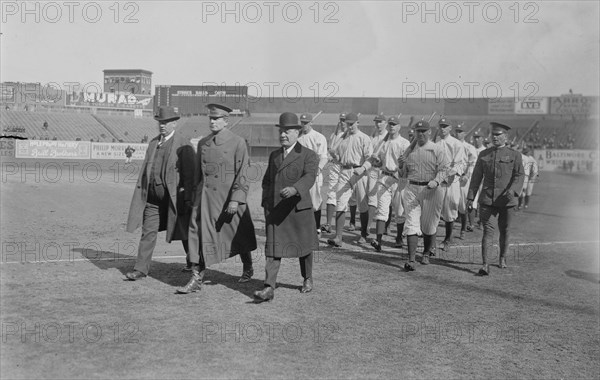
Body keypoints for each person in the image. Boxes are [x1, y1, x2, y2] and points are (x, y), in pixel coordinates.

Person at [177, 104, 256, 294]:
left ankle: (247, 265)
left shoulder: (238, 142)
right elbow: (197, 174)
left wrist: (236, 199)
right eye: (210, 119)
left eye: (217, 118)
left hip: (227, 198)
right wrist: (192, 198)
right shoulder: (204, 143)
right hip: (204, 199)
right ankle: (197, 277)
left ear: (226, 121)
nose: (212, 121)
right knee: (197, 234)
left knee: (237, 234)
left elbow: (243, 173)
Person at [254, 112, 319, 302]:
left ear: (297, 133)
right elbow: (266, 181)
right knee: (273, 250)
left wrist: (295, 189)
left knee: (304, 248)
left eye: (288, 131)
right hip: (276, 210)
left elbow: (310, 177)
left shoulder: (308, 155)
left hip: (298, 209)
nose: (283, 134)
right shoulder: (274, 155)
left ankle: (307, 278)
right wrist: (266, 203)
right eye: (281, 131)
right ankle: (268, 287)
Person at [125, 106, 195, 281]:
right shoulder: (153, 143)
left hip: (175, 200)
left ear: (175, 123)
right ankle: (140, 269)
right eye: (160, 122)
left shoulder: (184, 144)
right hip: (153, 200)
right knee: (148, 232)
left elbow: (191, 175)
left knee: (184, 232)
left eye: (167, 122)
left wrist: (187, 198)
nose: (162, 125)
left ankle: (194, 263)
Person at [467, 122, 524, 275]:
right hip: (488, 200)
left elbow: (519, 175)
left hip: (507, 201)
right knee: (488, 231)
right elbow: (476, 177)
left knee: (505, 230)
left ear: (506, 136)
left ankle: (502, 257)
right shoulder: (484, 154)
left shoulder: (515, 155)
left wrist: (513, 190)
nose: (495, 137)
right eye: (493, 134)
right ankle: (485, 264)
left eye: (498, 134)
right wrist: (471, 197)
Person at [398, 120, 450, 270]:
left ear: (429, 132)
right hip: (412, 188)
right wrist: (401, 164)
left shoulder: (436, 149)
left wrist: (436, 180)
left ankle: (426, 252)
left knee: (428, 225)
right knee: (411, 223)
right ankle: (411, 259)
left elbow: (445, 168)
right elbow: (402, 174)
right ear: (414, 132)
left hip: (431, 190)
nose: (420, 134)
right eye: (418, 131)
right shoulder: (408, 150)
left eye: (423, 131)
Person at [327, 112, 374, 247]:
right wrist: (333, 156)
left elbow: (370, 159)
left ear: (357, 123)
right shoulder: (342, 138)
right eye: (348, 124)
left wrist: (363, 168)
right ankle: (338, 237)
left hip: (359, 172)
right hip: (344, 171)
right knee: (340, 201)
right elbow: (338, 157)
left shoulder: (364, 138)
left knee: (362, 204)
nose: (350, 126)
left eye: (352, 124)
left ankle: (364, 234)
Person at [369, 116, 410, 252]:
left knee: (399, 211)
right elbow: (379, 163)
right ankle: (378, 240)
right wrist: (376, 161)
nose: (392, 126)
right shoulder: (383, 142)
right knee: (382, 210)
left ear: (399, 127)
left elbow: (409, 165)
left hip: (400, 180)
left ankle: (399, 237)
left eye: (394, 124)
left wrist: (402, 168)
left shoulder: (405, 143)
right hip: (385, 177)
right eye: (390, 124)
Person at [435, 118, 467, 251]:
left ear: (450, 128)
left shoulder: (456, 143)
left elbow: (460, 163)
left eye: (445, 126)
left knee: (450, 208)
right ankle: (431, 240)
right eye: (441, 126)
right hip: (436, 178)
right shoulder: (435, 142)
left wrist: (448, 173)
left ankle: (448, 239)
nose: (442, 128)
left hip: (451, 179)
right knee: (434, 210)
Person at [298, 113, 328, 233]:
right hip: (300, 173)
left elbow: (324, 157)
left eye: (306, 123)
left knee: (315, 201)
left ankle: (316, 228)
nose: (304, 125)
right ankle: (303, 227)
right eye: (302, 123)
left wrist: (318, 169)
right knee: (300, 199)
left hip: (314, 172)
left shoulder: (318, 137)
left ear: (311, 123)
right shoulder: (298, 137)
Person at [321, 113, 347, 234]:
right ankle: (328, 224)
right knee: (331, 192)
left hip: (347, 168)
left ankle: (350, 224)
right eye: (341, 120)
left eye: (345, 120)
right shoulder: (334, 135)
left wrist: (335, 155)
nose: (342, 122)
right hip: (335, 166)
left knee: (345, 197)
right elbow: (330, 151)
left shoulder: (351, 136)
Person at [455, 124, 477, 239]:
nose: (458, 133)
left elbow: (472, 163)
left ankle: (463, 229)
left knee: (463, 206)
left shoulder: (469, 147)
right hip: (452, 178)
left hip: (463, 178)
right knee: (450, 204)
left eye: (460, 131)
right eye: (457, 131)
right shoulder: (451, 144)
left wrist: (467, 175)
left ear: (465, 133)